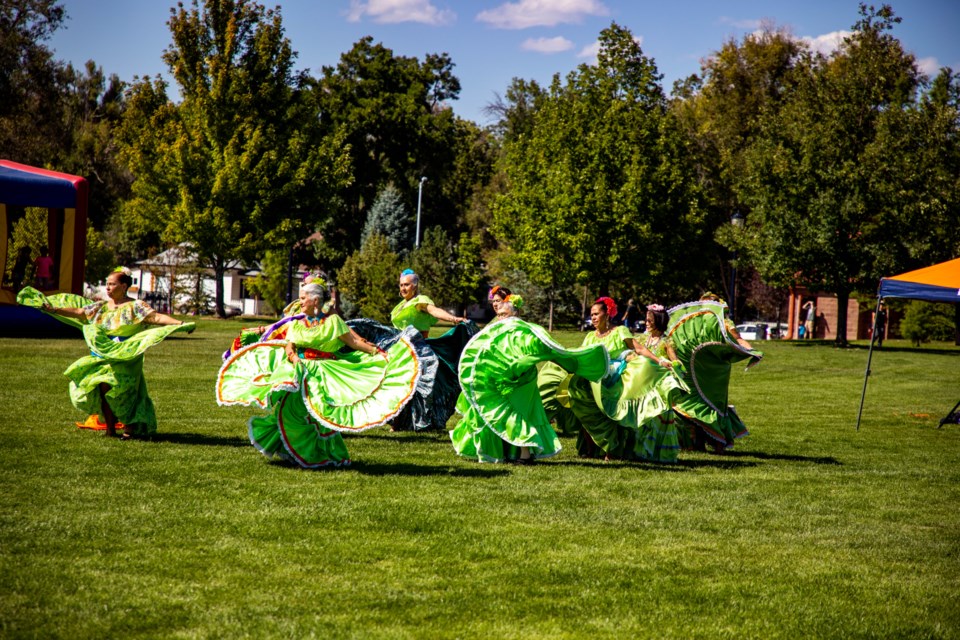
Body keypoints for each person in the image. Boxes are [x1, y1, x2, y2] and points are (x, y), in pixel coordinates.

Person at [217, 277, 422, 468]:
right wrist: (293, 357)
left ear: (315, 301)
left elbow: (355, 342)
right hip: (299, 369)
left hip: (323, 371)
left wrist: (378, 352)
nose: (301, 301)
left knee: (320, 414)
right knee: (290, 410)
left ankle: (324, 453)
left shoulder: (333, 322)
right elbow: (290, 346)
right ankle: (294, 449)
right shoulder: (297, 323)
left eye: (304, 298)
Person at [17, 267, 194, 439]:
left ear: (124, 286)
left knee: (124, 390)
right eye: (107, 284)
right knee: (103, 385)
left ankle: (129, 428)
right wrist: (53, 309)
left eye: (112, 284)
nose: (107, 288)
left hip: (127, 356)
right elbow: (79, 312)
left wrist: (178, 323)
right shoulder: (101, 306)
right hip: (103, 354)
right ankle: (110, 429)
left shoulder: (136, 306)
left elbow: (156, 317)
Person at [450, 292, 608, 464]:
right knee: (496, 413)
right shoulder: (497, 331)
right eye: (499, 314)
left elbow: (547, 349)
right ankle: (506, 452)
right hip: (503, 381)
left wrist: (571, 364)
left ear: (515, 313)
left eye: (504, 314)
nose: (500, 317)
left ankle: (525, 455)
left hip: (522, 381)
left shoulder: (525, 331)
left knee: (520, 415)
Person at [540, 297, 688, 461]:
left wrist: (659, 360)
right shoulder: (590, 335)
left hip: (613, 378)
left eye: (597, 314)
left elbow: (638, 348)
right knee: (583, 406)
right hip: (592, 378)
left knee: (610, 412)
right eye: (592, 315)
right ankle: (590, 450)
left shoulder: (619, 331)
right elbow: (581, 356)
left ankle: (612, 450)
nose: (593, 318)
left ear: (607, 314)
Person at [344, 268, 478, 432]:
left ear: (415, 285)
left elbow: (433, 311)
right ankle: (398, 421)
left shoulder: (420, 300)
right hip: (400, 348)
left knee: (414, 386)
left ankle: (415, 421)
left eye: (406, 285)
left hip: (418, 349)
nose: (403, 288)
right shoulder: (401, 305)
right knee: (394, 383)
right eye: (401, 285)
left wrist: (452, 318)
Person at [668, 294, 762, 452]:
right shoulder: (692, 322)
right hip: (694, 366)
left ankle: (716, 440)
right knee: (688, 399)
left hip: (714, 370)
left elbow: (737, 339)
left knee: (712, 402)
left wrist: (750, 350)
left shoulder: (723, 321)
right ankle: (692, 442)